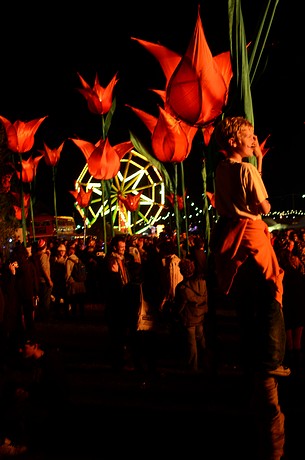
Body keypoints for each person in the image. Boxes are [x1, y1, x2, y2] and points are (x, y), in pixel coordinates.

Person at [211, 116, 289, 459]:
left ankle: (253, 351)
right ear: (233, 143)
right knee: (275, 285)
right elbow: (263, 206)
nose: (254, 140)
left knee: (242, 289)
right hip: (252, 229)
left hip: (231, 234)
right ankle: (273, 358)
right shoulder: (247, 171)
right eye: (248, 137)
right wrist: (259, 176)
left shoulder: (220, 170)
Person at [174, 258, 208, 372]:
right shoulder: (202, 282)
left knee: (191, 342)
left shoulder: (182, 287)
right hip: (200, 313)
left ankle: (193, 366)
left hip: (189, 316)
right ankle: (206, 360)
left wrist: (176, 312)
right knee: (201, 338)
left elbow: (181, 304)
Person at [32, 239, 53, 322]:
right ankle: (45, 317)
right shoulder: (43, 256)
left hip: (39, 281)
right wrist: (49, 280)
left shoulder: (36, 255)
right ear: (45, 246)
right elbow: (44, 269)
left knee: (41, 300)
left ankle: (41, 316)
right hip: (44, 281)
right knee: (46, 300)